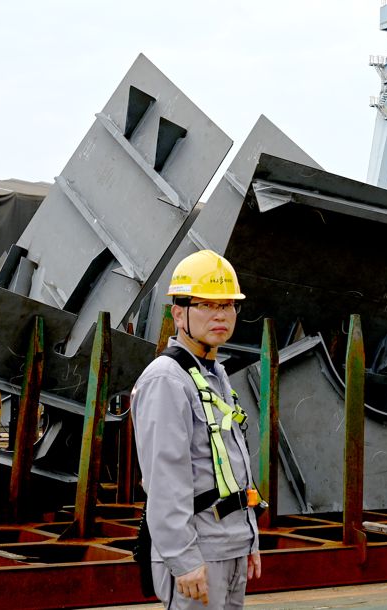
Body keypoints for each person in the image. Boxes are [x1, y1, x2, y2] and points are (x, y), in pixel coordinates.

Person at [132, 249, 261, 609]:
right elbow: (165, 478)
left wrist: (248, 541)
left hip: (229, 544)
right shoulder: (166, 380)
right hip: (198, 551)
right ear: (179, 312)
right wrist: (183, 559)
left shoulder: (214, 375)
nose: (220, 315)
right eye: (206, 305)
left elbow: (231, 467)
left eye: (228, 305)